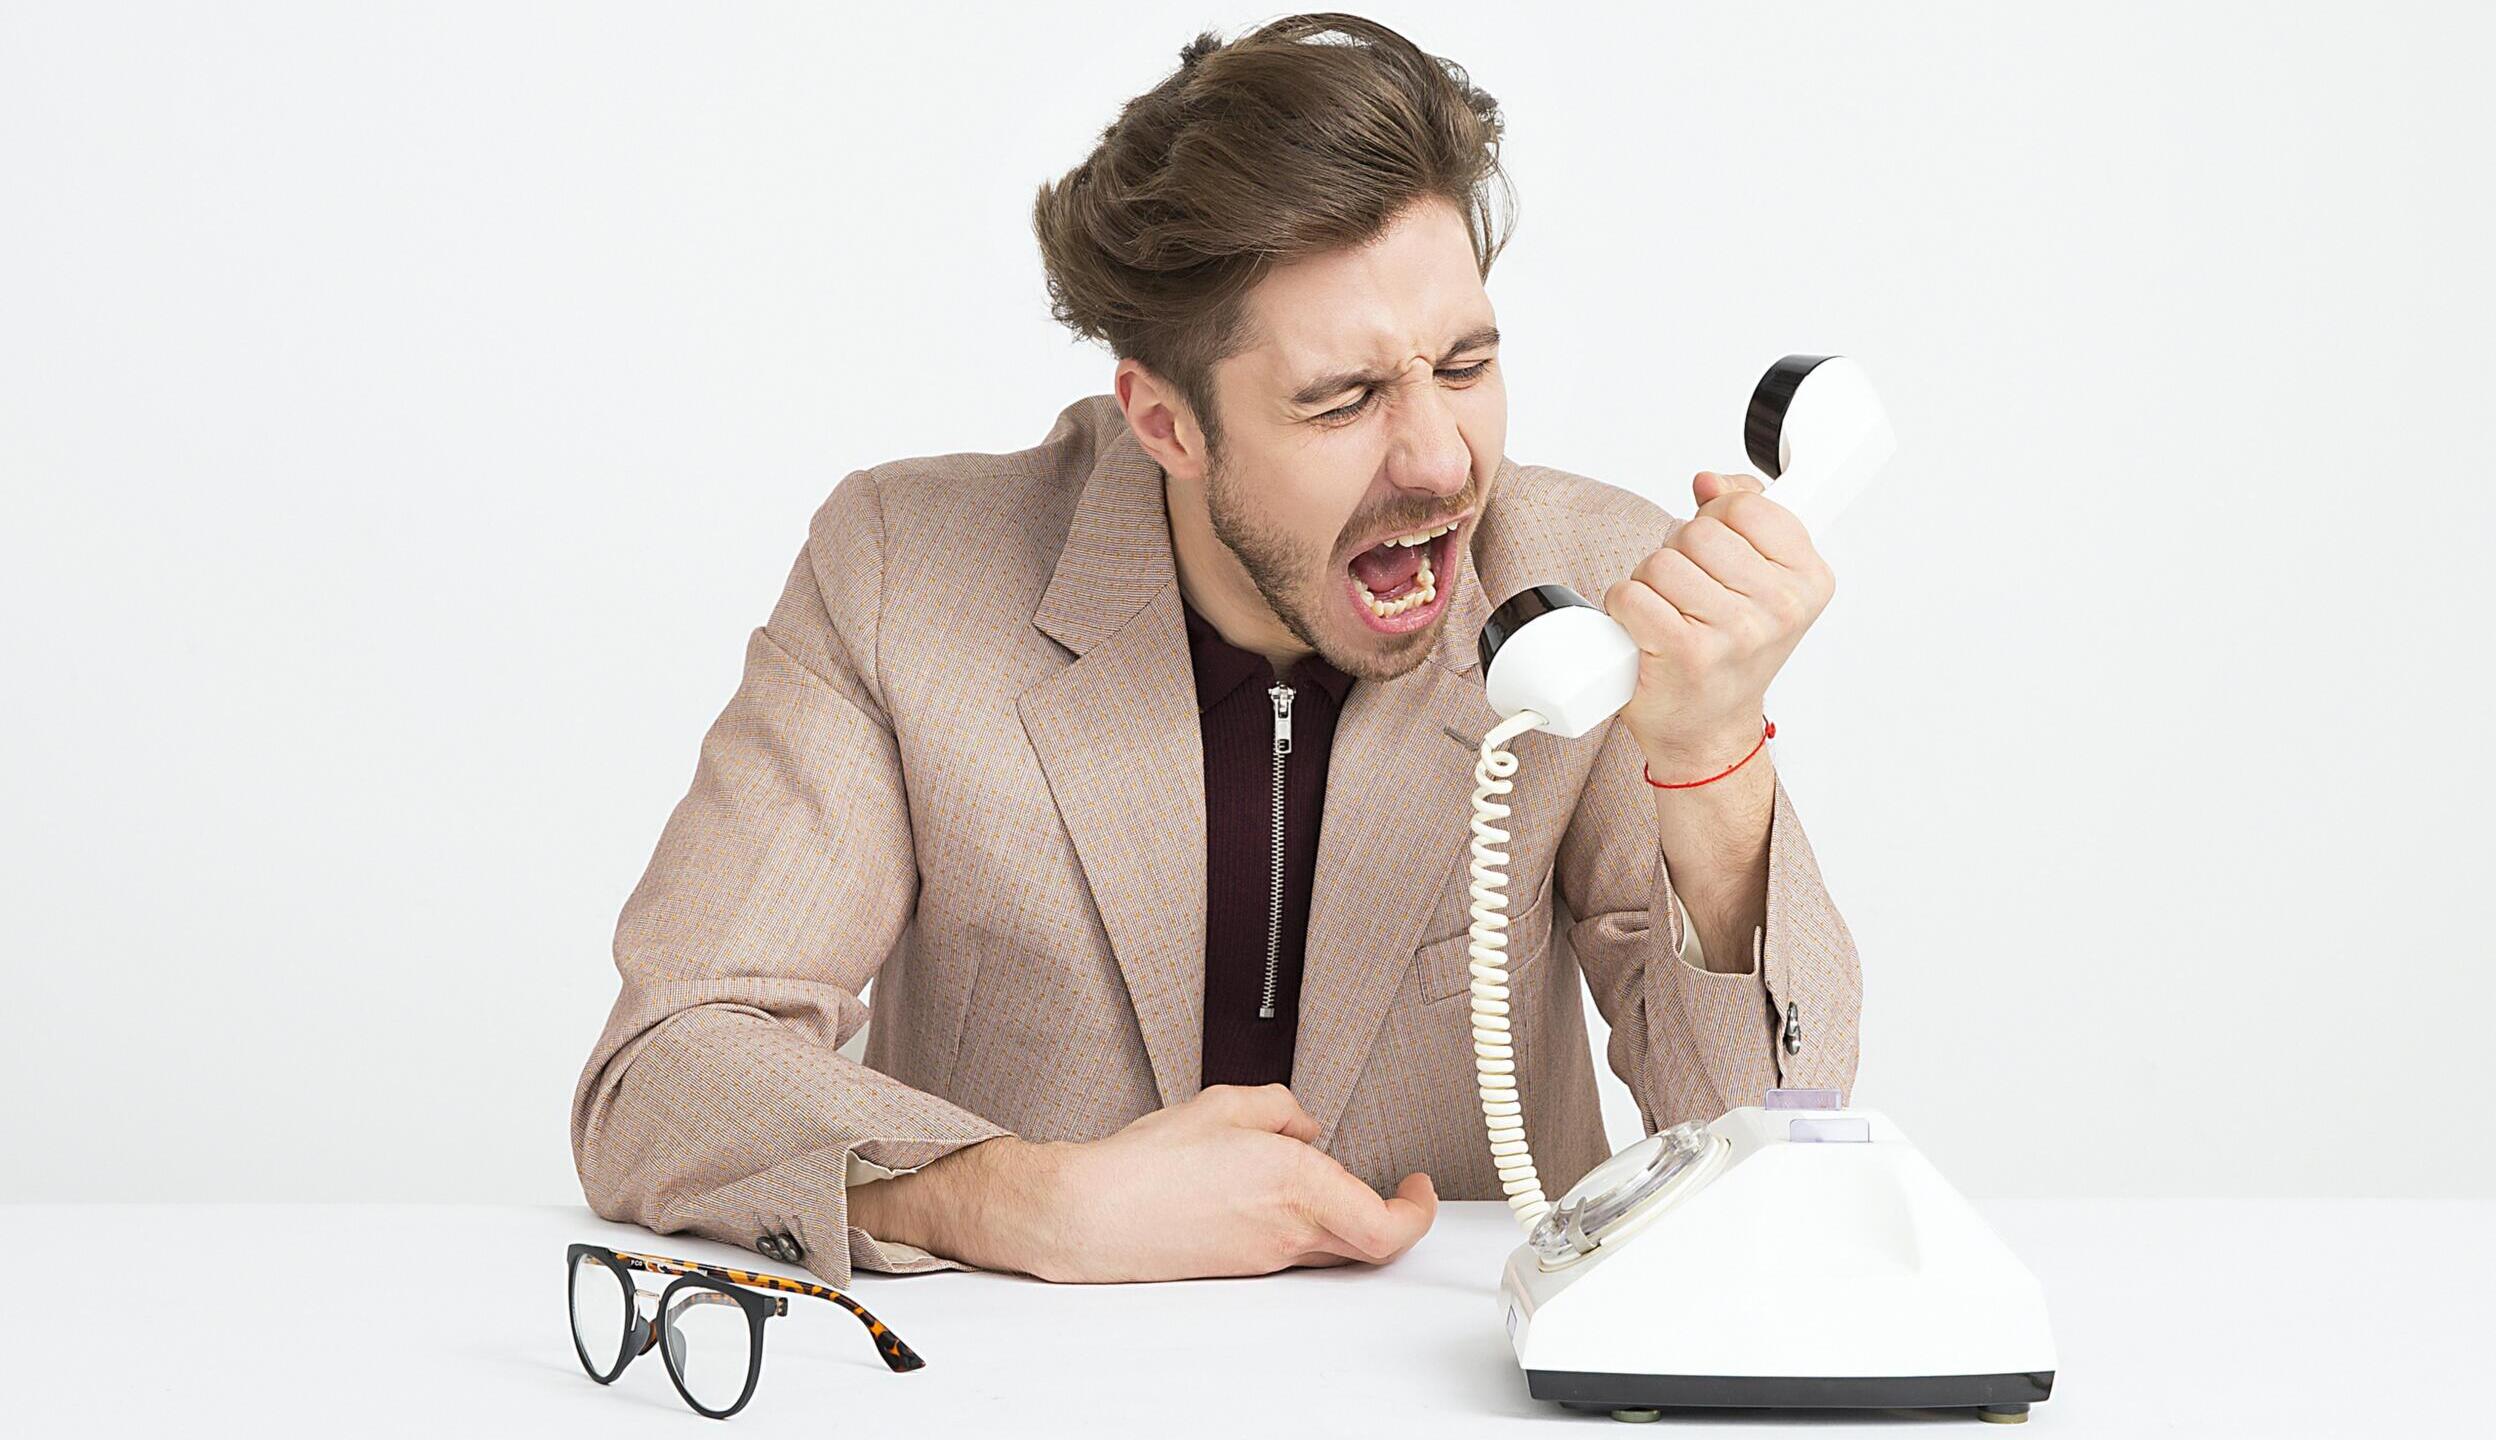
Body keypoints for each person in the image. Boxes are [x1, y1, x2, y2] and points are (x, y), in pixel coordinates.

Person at [569, 12, 1860, 1289]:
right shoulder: (903, 568)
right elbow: (667, 1065)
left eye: (1464, 364)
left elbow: (1771, 1141)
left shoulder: (1584, 583)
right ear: (1165, 421)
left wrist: (1710, 763)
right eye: (1342, 399)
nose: (1441, 461)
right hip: (1019, 1385)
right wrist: (1016, 1201)